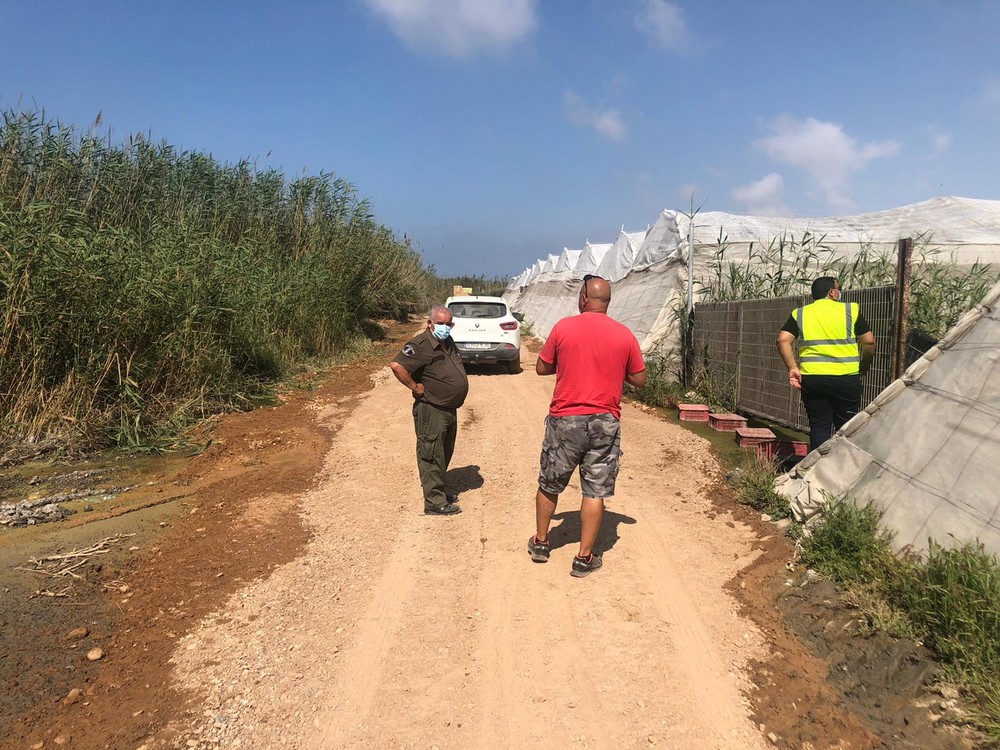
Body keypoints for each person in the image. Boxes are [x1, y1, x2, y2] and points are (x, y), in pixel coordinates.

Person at [528, 274, 646, 577]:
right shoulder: (624, 335)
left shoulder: (563, 328)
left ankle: (541, 542)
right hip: (605, 422)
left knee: (550, 482)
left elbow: (542, 367)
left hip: (565, 420)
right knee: (594, 491)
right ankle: (584, 558)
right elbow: (639, 379)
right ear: (607, 302)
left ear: (583, 299)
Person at [776, 276, 877, 452]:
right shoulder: (850, 310)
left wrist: (793, 369)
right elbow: (869, 343)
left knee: (819, 426)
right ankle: (842, 468)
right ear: (832, 292)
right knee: (847, 428)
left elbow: (783, 340)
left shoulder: (800, 313)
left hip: (813, 379)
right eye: (839, 289)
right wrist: (864, 365)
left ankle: (815, 469)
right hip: (846, 379)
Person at [389, 306, 469, 516]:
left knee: (444, 452)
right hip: (432, 408)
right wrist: (415, 387)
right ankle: (434, 503)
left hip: (448, 408)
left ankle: (438, 492)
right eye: (440, 323)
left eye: (448, 324)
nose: (444, 327)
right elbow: (397, 365)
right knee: (431, 454)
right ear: (430, 323)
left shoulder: (447, 342)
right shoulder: (421, 344)